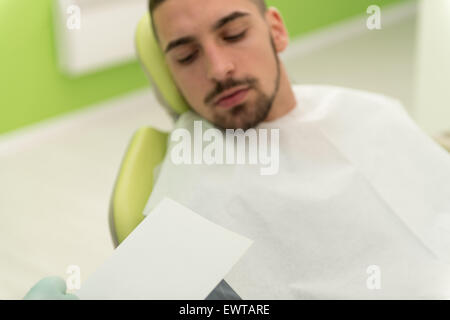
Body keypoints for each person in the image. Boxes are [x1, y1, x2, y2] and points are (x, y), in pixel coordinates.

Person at [26, 0, 450, 299]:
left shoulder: (367, 109)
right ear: (171, 74)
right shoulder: (194, 190)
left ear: (276, 30)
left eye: (234, 33)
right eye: (187, 56)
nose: (218, 68)